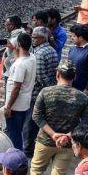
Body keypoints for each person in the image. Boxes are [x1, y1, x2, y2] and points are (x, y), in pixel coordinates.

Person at [29, 60, 88, 175]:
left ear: (57, 74)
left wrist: (53, 134)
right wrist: (67, 136)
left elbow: (37, 116)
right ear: (74, 77)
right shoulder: (82, 97)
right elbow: (86, 123)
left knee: (37, 170)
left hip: (45, 141)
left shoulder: (45, 92)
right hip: (68, 145)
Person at [24, 26, 59, 158]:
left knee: (30, 123)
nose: (32, 39)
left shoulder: (38, 54)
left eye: (34, 37)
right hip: (48, 91)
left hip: (37, 93)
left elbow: (40, 76)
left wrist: (46, 89)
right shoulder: (51, 50)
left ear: (41, 38)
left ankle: (28, 150)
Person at [3, 32, 37, 151]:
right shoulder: (32, 57)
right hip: (24, 103)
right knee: (19, 131)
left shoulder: (20, 65)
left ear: (18, 45)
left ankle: (16, 161)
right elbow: (20, 58)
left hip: (15, 106)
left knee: (14, 135)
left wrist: (8, 107)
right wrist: (15, 49)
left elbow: (16, 87)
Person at [67, 24, 88, 102]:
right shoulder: (72, 48)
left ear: (81, 38)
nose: (72, 38)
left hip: (85, 90)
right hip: (72, 88)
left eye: (74, 36)